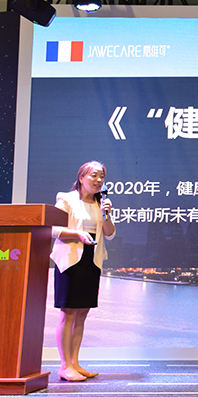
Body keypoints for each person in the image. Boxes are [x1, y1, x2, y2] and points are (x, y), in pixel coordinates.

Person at [49, 161, 116, 382]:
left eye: (102, 177)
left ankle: (75, 363)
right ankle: (64, 366)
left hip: (92, 259)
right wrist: (77, 234)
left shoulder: (101, 203)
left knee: (82, 313)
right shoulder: (66, 199)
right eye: (94, 175)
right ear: (81, 177)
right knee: (68, 312)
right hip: (70, 260)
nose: (99, 180)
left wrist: (107, 214)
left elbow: (109, 233)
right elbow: (54, 229)